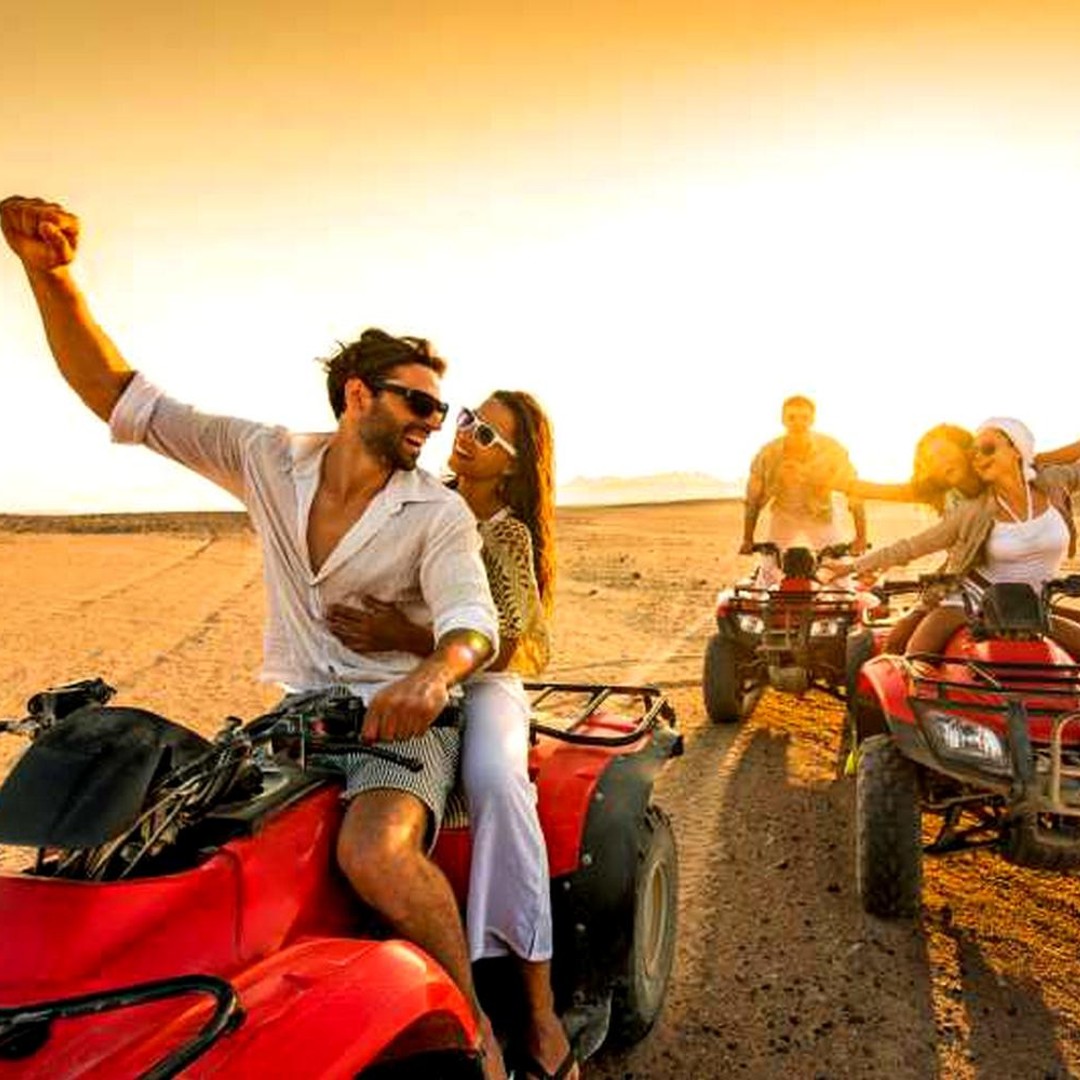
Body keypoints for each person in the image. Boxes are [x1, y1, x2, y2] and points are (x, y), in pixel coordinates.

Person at [0, 194, 508, 1078]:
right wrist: (54, 279)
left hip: (402, 724)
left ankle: (473, 1030)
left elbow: (474, 623)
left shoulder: (436, 512)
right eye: (418, 403)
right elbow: (120, 396)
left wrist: (433, 673)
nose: (434, 422)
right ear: (359, 396)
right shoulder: (268, 458)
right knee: (159, 841)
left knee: (373, 852)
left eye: (439, 408)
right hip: (297, 717)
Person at [325, 393, 578, 1080]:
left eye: (488, 433)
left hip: (485, 679)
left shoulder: (507, 532)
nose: (467, 435)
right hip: (404, 675)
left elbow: (521, 646)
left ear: (516, 466)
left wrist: (406, 637)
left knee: (497, 781)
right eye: (468, 419)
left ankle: (537, 1004)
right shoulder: (420, 500)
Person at [828, 418, 1080, 658]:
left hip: (1028, 599)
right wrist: (840, 486)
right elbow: (912, 542)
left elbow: (1055, 463)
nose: (938, 463)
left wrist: (1032, 457)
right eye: (930, 460)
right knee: (905, 642)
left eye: (943, 453)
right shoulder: (955, 501)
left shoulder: (1035, 481)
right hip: (962, 585)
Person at [740, 394, 866, 559]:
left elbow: (854, 490)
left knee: (839, 573)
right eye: (791, 417)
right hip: (784, 516)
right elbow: (753, 499)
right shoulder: (768, 453)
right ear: (783, 419)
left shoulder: (831, 449)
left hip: (820, 515)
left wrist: (861, 537)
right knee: (769, 572)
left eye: (804, 417)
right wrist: (747, 539)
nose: (798, 423)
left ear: (812, 419)